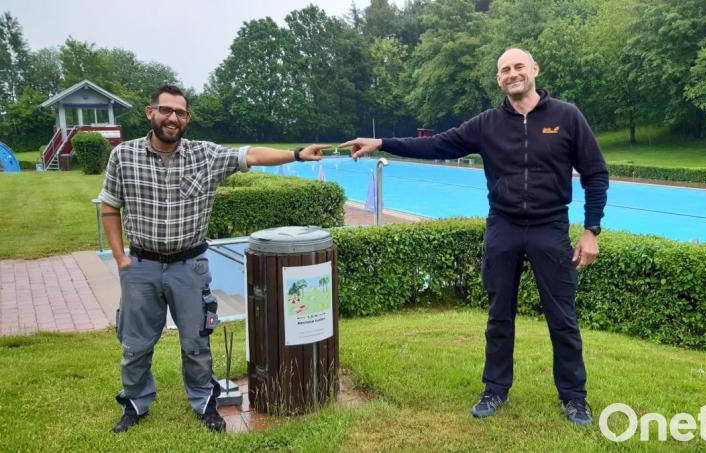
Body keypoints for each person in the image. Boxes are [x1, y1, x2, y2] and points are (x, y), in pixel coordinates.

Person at [340, 48, 609, 426]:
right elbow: (436, 145)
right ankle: (495, 388)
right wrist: (382, 143)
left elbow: (596, 173)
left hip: (550, 227)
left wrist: (591, 230)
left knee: (562, 317)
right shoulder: (487, 124)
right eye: (504, 70)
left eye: (518, 67)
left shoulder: (567, 117)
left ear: (534, 69)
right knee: (499, 316)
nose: (512, 74)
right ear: (499, 79)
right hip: (504, 226)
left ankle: (574, 397)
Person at [99, 85, 329, 433]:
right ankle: (135, 403)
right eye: (166, 110)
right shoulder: (123, 156)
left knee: (196, 342)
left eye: (180, 112)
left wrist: (296, 154)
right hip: (141, 267)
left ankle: (204, 402)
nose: (172, 118)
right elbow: (109, 207)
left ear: (187, 118)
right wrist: (121, 260)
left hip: (189, 267)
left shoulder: (205, 156)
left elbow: (250, 155)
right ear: (150, 113)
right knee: (135, 343)